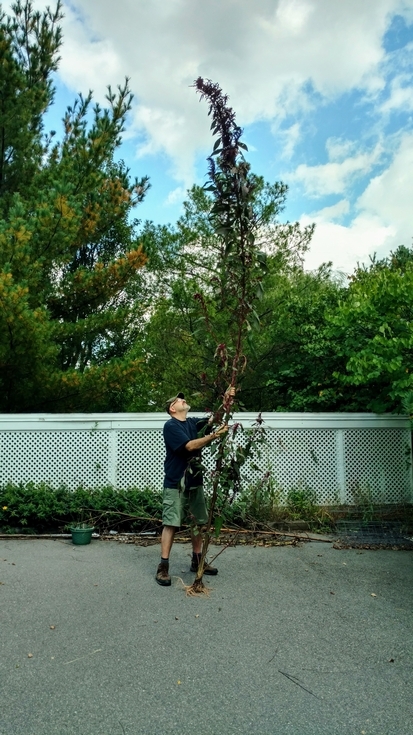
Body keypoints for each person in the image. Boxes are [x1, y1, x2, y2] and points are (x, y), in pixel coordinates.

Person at [155, 390, 233, 586]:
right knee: (171, 523)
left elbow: (215, 418)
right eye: (179, 399)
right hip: (176, 482)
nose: (183, 400)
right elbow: (189, 446)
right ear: (172, 408)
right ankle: (163, 567)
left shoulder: (193, 423)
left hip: (195, 481)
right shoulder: (171, 426)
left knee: (198, 522)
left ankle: (197, 561)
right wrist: (214, 436)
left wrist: (225, 399)